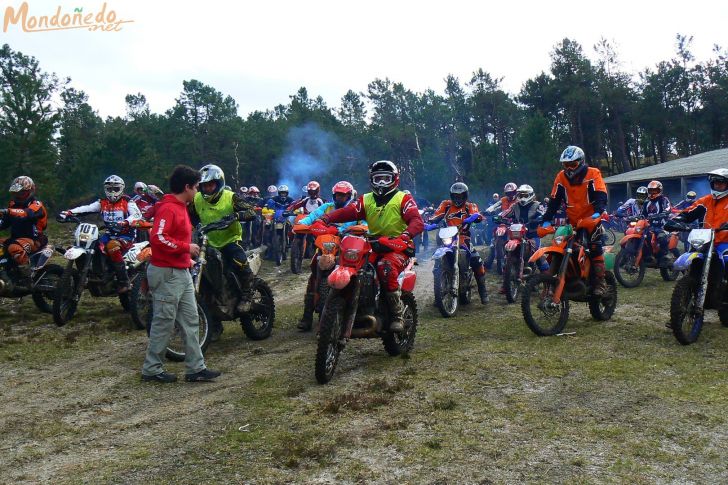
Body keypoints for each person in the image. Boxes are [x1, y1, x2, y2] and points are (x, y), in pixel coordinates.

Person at [312, 160, 424, 332]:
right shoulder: (366, 199)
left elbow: (416, 220)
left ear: (394, 179)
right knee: (351, 263)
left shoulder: (403, 199)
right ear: (372, 179)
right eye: (377, 178)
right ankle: (350, 305)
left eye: (385, 179)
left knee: (384, 267)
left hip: (398, 246)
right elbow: (348, 212)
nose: (381, 183)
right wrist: (326, 218)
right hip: (374, 243)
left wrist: (406, 235)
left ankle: (397, 314)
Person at [141, 165, 220, 383]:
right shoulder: (168, 208)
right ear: (186, 187)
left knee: (191, 319)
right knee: (164, 321)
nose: (198, 191)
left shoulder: (181, 206)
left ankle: (196, 368)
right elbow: (158, 238)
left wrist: (187, 258)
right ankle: (152, 369)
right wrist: (186, 248)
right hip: (167, 272)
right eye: (195, 187)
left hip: (180, 270)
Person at [191, 164, 258, 340]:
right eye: (204, 185)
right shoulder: (197, 199)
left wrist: (235, 217)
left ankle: (247, 294)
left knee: (238, 259)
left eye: (211, 185)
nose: (207, 188)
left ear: (219, 183)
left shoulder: (230, 197)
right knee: (205, 280)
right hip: (208, 243)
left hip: (230, 240)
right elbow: (189, 217)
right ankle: (213, 324)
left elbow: (251, 212)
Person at [295, 181, 365, 331]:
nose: (340, 198)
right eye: (338, 195)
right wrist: (302, 223)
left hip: (346, 245)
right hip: (325, 244)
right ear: (334, 195)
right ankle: (307, 317)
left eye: (343, 195)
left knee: (356, 272)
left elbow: (365, 222)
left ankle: (355, 310)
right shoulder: (326, 207)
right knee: (314, 273)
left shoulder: (355, 208)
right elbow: (313, 216)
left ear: (349, 195)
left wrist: (360, 227)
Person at [540, 145, 609, 295]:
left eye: (573, 164)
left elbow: (601, 193)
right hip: (572, 220)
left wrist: (598, 211)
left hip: (592, 219)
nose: (569, 168)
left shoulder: (593, 173)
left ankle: (600, 282)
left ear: (581, 162)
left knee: (594, 246)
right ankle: (559, 281)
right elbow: (554, 199)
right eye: (566, 165)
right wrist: (546, 219)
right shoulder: (561, 177)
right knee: (560, 245)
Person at [60, 175, 141, 293]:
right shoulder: (102, 202)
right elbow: (87, 208)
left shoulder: (128, 202)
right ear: (105, 189)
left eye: (116, 189)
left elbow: (137, 215)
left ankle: (124, 281)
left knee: (112, 246)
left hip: (126, 236)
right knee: (92, 246)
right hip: (108, 235)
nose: (112, 192)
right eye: (109, 189)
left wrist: (125, 222)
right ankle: (95, 274)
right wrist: (69, 212)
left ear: (121, 189)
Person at [427, 182, 489, 304]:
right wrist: (431, 223)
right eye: (455, 196)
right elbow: (436, 215)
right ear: (451, 196)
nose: (458, 198)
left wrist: (472, 218)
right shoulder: (446, 204)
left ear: (465, 196)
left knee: (477, 261)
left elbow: (477, 215)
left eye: (460, 196)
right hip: (447, 237)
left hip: (463, 237)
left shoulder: (469, 206)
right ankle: (438, 294)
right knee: (437, 263)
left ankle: (483, 291)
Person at [0, 176, 48, 289]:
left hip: (35, 240)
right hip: (15, 238)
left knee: (14, 248)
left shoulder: (36, 204)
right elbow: (4, 223)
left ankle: (27, 279)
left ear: (30, 191)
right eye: (16, 193)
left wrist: (8, 211)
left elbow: (27, 213)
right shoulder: (13, 205)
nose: (18, 196)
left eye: (21, 193)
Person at [668, 169, 728, 246]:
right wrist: (675, 221)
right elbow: (689, 212)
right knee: (686, 257)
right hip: (705, 242)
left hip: (725, 243)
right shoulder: (705, 200)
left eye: (721, 183)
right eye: (715, 183)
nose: (717, 185)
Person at [501, 184, 549, 278]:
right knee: (507, 250)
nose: (522, 197)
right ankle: (506, 282)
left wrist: (539, 218)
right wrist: (499, 217)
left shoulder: (538, 205)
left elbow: (544, 214)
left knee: (537, 254)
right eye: (521, 195)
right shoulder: (515, 206)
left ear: (531, 195)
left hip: (532, 235)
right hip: (517, 235)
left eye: (525, 195)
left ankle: (548, 279)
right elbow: (505, 213)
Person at [640, 180, 672, 267]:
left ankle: (665, 256)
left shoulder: (663, 199)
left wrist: (664, 213)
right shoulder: (646, 202)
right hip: (649, 226)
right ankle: (647, 256)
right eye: (651, 191)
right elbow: (642, 214)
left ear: (659, 190)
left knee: (661, 237)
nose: (652, 193)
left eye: (655, 191)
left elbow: (668, 209)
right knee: (641, 236)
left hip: (662, 226)